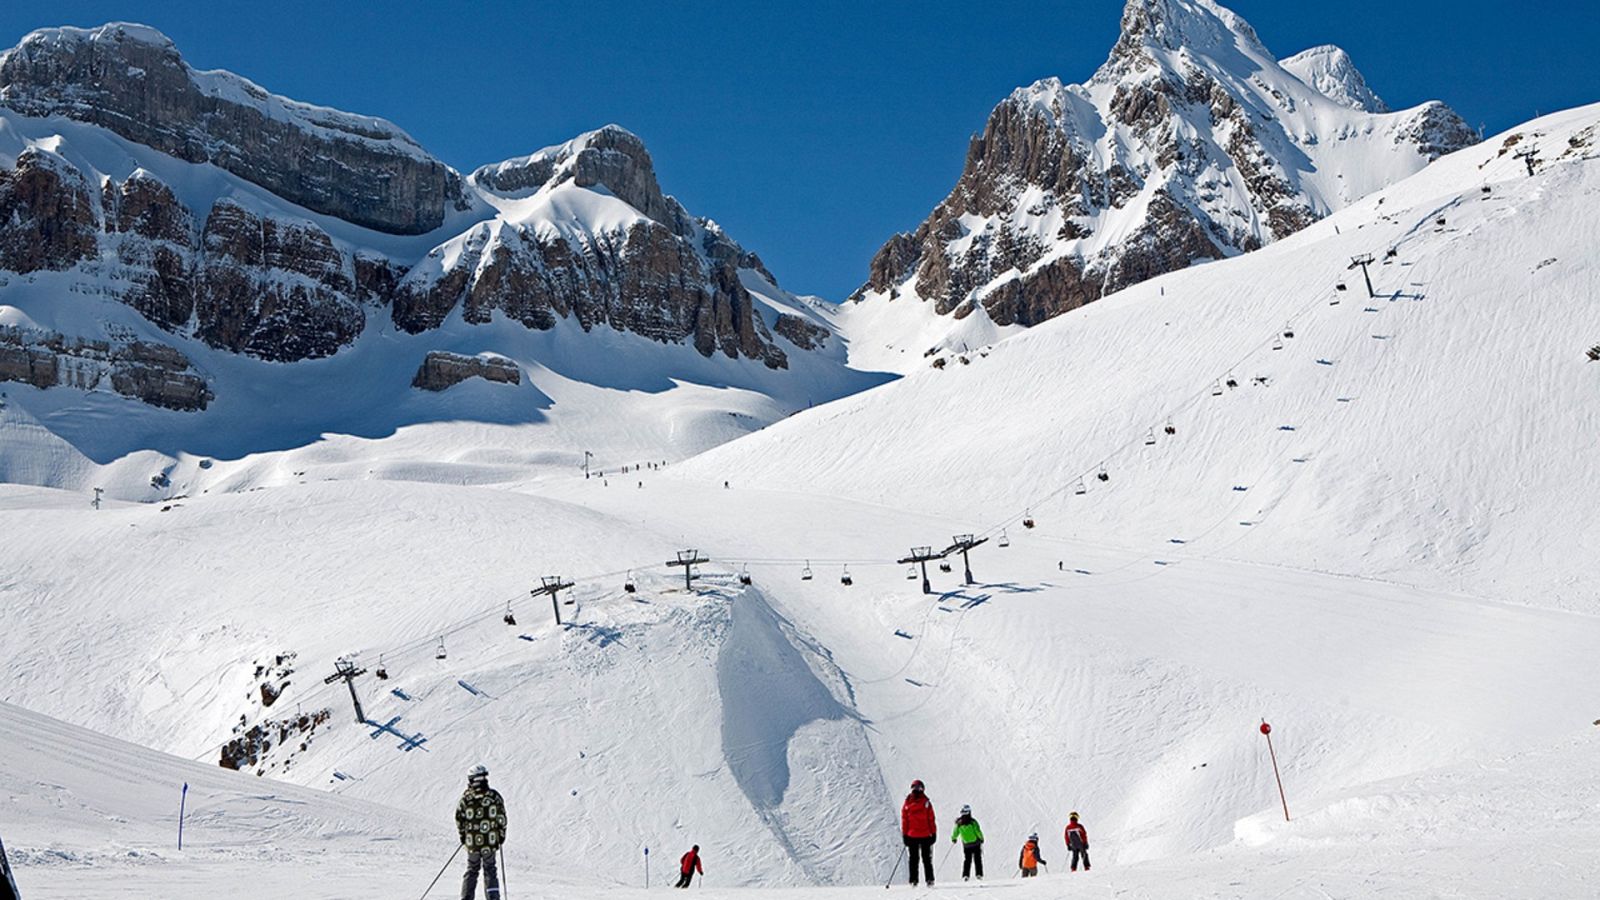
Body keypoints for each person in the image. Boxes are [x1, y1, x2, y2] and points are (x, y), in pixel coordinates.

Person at [455, 765, 507, 900]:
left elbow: (459, 818)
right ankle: (493, 897)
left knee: (472, 869)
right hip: (490, 842)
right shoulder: (494, 796)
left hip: (472, 843)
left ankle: (466, 897)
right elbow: (501, 818)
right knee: (490, 869)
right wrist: (501, 835)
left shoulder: (466, 798)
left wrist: (463, 835)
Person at [900, 779, 937, 887]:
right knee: (926, 859)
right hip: (925, 835)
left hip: (912, 835)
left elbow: (905, 820)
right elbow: (931, 819)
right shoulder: (926, 803)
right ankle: (929, 879)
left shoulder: (907, 803)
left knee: (913, 859)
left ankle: (913, 880)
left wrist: (905, 834)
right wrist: (933, 833)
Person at [950, 803, 984, 881]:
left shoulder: (959, 823)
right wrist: (981, 838)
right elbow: (977, 831)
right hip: (975, 843)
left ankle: (965, 875)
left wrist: (954, 838)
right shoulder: (973, 822)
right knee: (977, 859)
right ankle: (979, 874)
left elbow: (955, 832)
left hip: (966, 845)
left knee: (967, 860)